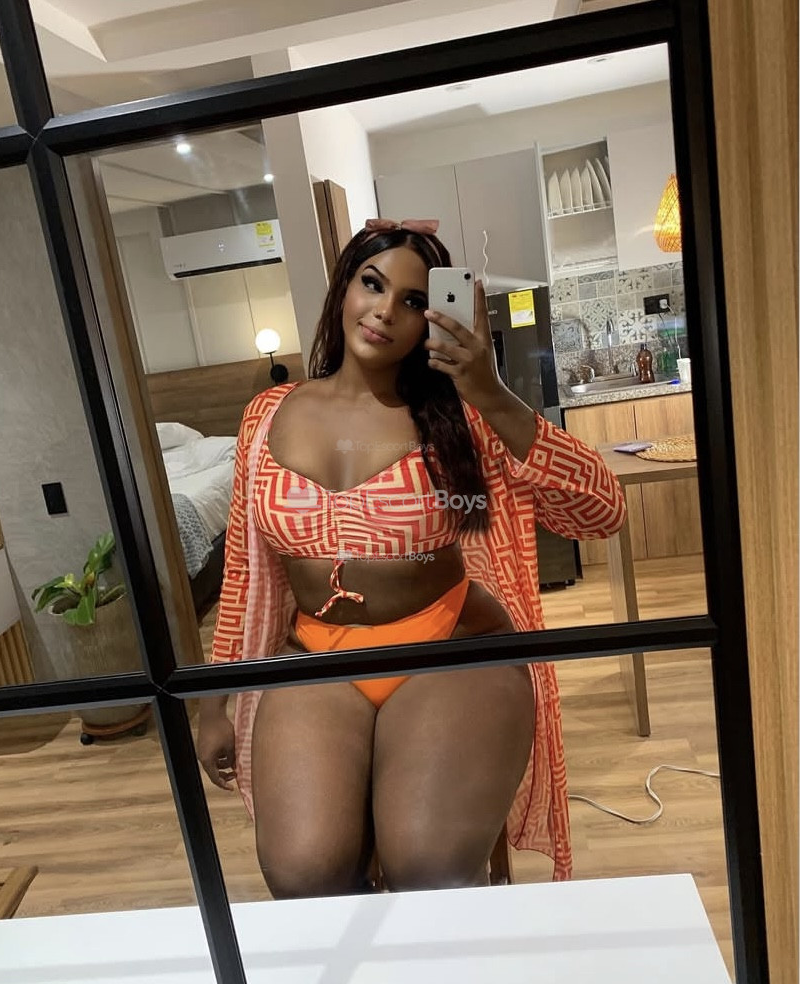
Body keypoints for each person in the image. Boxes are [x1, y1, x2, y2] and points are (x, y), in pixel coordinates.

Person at [197, 219, 625, 898]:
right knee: (303, 872)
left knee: (429, 870)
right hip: (318, 655)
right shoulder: (266, 414)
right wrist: (212, 702)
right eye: (372, 284)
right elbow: (247, 575)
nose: (385, 311)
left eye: (414, 301)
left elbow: (600, 511)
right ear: (343, 288)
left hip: (450, 648)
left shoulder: (461, 415)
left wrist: (489, 390)